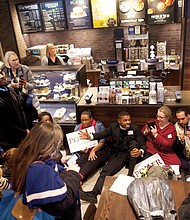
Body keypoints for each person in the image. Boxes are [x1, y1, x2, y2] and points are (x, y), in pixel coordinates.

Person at [12, 122, 82, 220]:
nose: (57, 149)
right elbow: (61, 206)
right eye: (57, 144)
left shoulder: (25, 157)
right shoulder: (39, 170)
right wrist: (72, 174)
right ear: (49, 145)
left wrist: (59, 161)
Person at [79, 111, 147, 203]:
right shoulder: (113, 127)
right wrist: (90, 136)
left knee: (134, 143)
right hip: (119, 155)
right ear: (119, 121)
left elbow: (142, 144)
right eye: (125, 120)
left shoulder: (135, 129)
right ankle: (94, 193)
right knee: (106, 171)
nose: (128, 122)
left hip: (132, 154)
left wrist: (140, 151)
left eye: (129, 120)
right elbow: (101, 134)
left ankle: (130, 176)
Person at [0, 51, 38, 127]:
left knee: (30, 123)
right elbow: (3, 88)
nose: (16, 62)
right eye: (13, 60)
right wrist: (11, 85)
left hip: (27, 102)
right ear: (8, 62)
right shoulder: (3, 70)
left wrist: (25, 84)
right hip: (14, 104)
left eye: (17, 59)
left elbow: (33, 85)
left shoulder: (25, 69)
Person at [74, 110, 110, 183]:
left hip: (100, 149)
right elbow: (76, 143)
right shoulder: (77, 128)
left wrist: (94, 150)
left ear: (91, 119)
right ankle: (76, 178)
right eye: (82, 120)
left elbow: (102, 141)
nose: (84, 122)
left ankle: (80, 177)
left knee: (93, 158)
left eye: (86, 120)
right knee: (80, 161)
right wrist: (81, 150)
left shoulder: (98, 125)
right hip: (86, 150)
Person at [0, 70, 29, 151]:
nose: (2, 76)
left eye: (2, 74)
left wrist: (24, 91)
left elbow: (19, 106)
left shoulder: (8, 90)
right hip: (10, 140)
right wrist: (24, 132)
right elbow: (6, 124)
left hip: (20, 135)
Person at [174, 108, 190, 177]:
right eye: (178, 119)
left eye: (183, 119)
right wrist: (181, 141)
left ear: (188, 116)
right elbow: (176, 148)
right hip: (184, 156)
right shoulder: (176, 127)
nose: (180, 121)